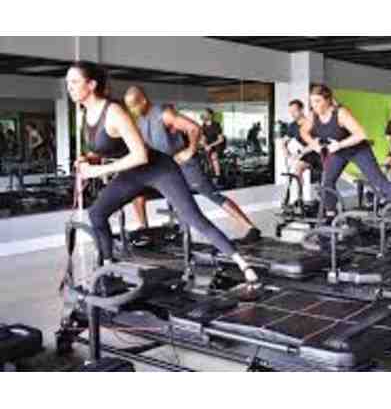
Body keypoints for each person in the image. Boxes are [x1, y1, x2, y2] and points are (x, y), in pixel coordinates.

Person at [65, 61, 258, 285]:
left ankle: (242, 263)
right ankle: (108, 271)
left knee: (193, 218)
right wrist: (88, 159)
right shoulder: (85, 113)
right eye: (68, 82)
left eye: (74, 82)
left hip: (159, 169)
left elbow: (141, 155)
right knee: (97, 213)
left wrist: (98, 170)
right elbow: (106, 147)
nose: (69, 87)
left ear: (91, 84)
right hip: (133, 173)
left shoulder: (114, 112)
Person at [124, 86, 261, 243]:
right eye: (129, 107)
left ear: (143, 100)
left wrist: (190, 150)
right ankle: (144, 230)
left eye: (134, 105)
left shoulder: (165, 114)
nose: (132, 110)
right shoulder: (141, 121)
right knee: (139, 193)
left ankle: (250, 228)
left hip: (186, 164)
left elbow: (194, 128)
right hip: (166, 167)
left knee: (212, 194)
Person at [300, 84, 391, 216]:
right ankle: (331, 215)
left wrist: (340, 145)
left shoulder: (340, 113)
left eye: (317, 101)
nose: (314, 105)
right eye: (312, 102)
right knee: (327, 183)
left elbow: (361, 134)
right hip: (339, 153)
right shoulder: (313, 115)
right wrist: (313, 144)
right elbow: (303, 131)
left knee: (379, 182)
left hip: (358, 150)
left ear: (327, 100)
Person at [282, 99, 322, 181]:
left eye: (294, 111)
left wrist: (299, 153)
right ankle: (299, 189)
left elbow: (316, 143)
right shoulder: (292, 126)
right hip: (307, 154)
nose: (292, 114)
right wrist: (285, 149)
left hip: (320, 153)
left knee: (326, 181)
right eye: (290, 112)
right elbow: (284, 140)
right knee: (297, 169)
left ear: (302, 110)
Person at [201, 109, 225, 178]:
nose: (204, 116)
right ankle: (208, 172)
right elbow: (203, 138)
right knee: (202, 155)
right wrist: (205, 144)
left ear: (210, 115)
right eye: (204, 114)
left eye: (206, 114)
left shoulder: (216, 125)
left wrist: (210, 146)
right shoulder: (204, 126)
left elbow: (221, 140)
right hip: (208, 146)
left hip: (217, 146)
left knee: (213, 156)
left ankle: (218, 175)